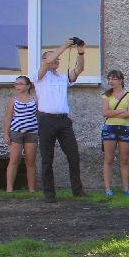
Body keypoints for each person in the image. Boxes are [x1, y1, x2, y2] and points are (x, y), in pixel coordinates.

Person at [35, 37, 87, 202]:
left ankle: (77, 191)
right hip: (46, 120)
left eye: (58, 59)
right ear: (44, 60)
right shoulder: (39, 76)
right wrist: (64, 45)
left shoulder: (62, 77)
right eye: (53, 58)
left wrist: (81, 51)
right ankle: (49, 194)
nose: (57, 60)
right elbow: (48, 62)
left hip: (63, 121)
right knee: (47, 158)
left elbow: (79, 69)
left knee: (73, 155)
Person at [100, 69, 129, 196]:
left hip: (125, 128)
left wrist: (113, 112)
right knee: (108, 159)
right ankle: (108, 189)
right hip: (110, 128)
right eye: (109, 79)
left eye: (113, 78)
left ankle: (126, 188)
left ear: (121, 80)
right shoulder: (106, 95)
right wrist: (121, 111)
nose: (111, 81)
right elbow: (105, 113)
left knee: (124, 159)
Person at [2, 75, 38, 193]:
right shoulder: (13, 100)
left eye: (20, 83)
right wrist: (6, 134)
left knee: (30, 161)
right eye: (16, 83)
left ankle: (31, 190)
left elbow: (38, 116)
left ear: (28, 86)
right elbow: (8, 117)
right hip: (16, 132)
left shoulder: (35, 99)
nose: (16, 85)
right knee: (14, 160)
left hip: (32, 133)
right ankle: (9, 189)